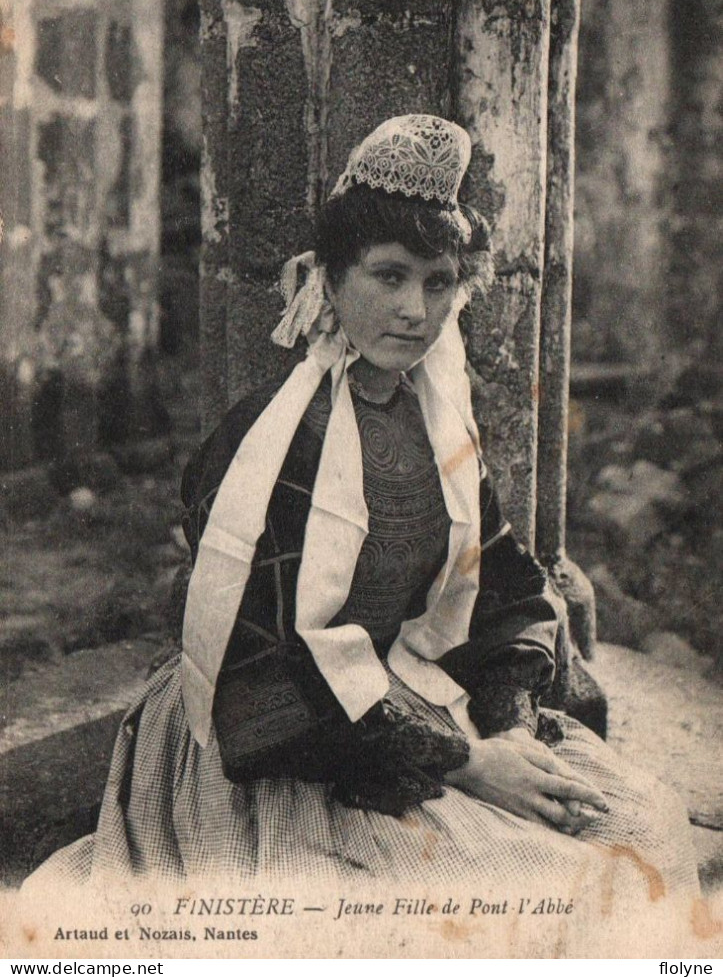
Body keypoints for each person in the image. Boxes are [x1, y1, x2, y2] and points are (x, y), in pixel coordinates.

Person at [28, 115, 698, 908]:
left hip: (399, 690)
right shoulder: (269, 442)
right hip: (285, 734)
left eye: (437, 280)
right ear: (330, 278)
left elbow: (501, 582)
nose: (414, 309)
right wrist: (466, 764)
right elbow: (262, 675)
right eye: (388, 275)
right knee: (517, 890)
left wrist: (509, 724)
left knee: (643, 833)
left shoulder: (438, 424)